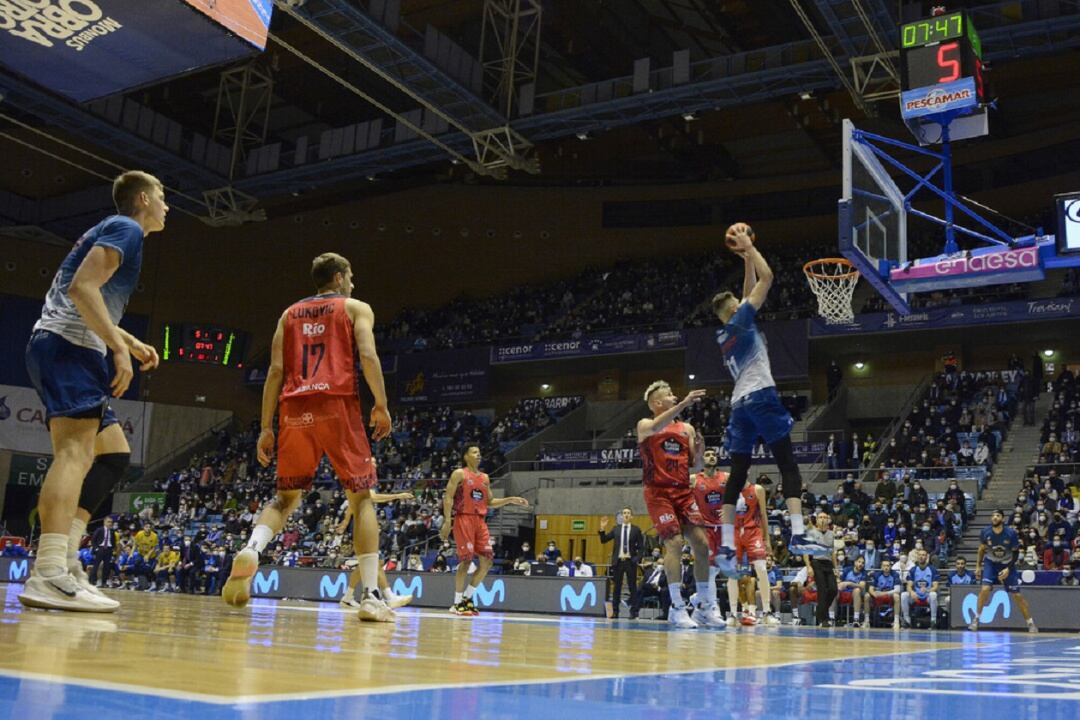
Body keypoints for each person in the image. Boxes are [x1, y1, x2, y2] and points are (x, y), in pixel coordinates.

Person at [18, 171, 166, 613]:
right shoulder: (126, 228)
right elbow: (81, 289)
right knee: (74, 456)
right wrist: (118, 348)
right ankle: (47, 572)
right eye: (162, 197)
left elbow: (88, 296)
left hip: (65, 346)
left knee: (114, 455)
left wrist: (127, 340)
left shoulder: (113, 230)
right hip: (68, 348)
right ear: (143, 199)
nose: (167, 206)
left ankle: (66, 560)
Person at [222, 253, 394, 623]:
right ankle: (371, 596)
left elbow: (275, 371)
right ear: (337, 277)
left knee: (285, 499)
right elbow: (367, 354)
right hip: (337, 405)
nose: (353, 282)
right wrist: (380, 403)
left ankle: (253, 548)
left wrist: (266, 427)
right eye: (350, 275)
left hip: (294, 409)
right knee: (362, 499)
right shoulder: (355, 307)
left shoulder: (288, 314)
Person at [710, 223, 829, 580]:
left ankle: (728, 548)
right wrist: (750, 247)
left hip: (739, 406)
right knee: (787, 464)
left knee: (738, 475)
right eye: (738, 303)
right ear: (735, 310)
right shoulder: (742, 319)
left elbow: (747, 292)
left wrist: (745, 257)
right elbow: (768, 278)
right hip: (761, 396)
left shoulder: (725, 331)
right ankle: (798, 533)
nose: (743, 303)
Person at [637, 382, 721, 630]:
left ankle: (704, 607)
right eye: (669, 396)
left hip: (684, 491)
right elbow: (654, 426)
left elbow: (694, 465)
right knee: (674, 543)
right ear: (657, 403)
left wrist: (701, 448)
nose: (675, 397)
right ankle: (676, 607)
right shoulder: (645, 425)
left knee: (703, 545)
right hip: (658, 492)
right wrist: (684, 403)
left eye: (675, 395)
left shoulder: (687, 428)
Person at [439, 446, 529, 616]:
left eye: (480, 452)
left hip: (480, 521)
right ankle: (457, 603)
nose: (478, 454)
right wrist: (447, 521)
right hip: (463, 518)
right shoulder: (459, 473)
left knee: (487, 561)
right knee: (466, 561)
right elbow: (448, 497)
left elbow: (491, 501)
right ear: (465, 456)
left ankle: (467, 599)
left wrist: (510, 499)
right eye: (474, 452)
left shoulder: (485, 478)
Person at [336, 489, 420, 610]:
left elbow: (352, 503)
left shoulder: (356, 482)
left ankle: (348, 597)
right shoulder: (362, 479)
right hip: (363, 523)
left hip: (359, 522)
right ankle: (389, 597)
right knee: (373, 562)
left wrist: (346, 521)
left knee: (367, 564)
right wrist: (398, 495)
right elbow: (372, 497)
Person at [970, 509, 1038, 632]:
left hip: (1007, 564)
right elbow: (981, 550)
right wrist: (978, 566)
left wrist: (1008, 569)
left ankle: (1030, 623)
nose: (994, 517)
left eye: (998, 515)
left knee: (1017, 595)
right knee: (984, 589)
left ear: (1002, 519)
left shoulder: (1010, 533)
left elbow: (1016, 554)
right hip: (991, 563)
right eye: (993, 515)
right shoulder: (985, 532)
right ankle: (976, 619)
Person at [598, 507, 644, 619]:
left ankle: (634, 611)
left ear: (632, 516)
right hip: (618, 562)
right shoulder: (616, 529)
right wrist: (602, 529)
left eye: (628, 513)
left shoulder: (636, 530)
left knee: (632, 587)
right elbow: (604, 540)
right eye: (624, 513)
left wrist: (636, 559)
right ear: (622, 516)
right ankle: (615, 611)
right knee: (616, 588)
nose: (626, 515)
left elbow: (642, 547)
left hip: (630, 561)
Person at [805, 512, 837, 627]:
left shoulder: (831, 534)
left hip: (828, 563)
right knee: (822, 590)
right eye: (820, 517)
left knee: (833, 589)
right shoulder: (811, 533)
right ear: (817, 520)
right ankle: (823, 619)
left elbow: (832, 552)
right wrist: (808, 566)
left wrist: (836, 568)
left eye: (825, 517)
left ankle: (820, 610)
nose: (823, 519)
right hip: (816, 562)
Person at [901, 549, 939, 628]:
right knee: (904, 595)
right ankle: (907, 621)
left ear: (927, 557)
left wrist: (928, 590)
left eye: (923, 555)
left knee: (933, 594)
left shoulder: (933, 569)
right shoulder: (913, 570)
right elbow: (909, 585)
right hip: (916, 597)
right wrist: (911, 592)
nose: (921, 557)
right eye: (920, 555)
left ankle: (933, 621)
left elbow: (935, 586)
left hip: (927, 596)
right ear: (917, 557)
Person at [867, 558, 902, 630]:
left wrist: (882, 593)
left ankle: (896, 621)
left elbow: (897, 590)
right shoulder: (876, 575)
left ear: (890, 567)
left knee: (897, 596)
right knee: (867, 596)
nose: (886, 567)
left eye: (888, 566)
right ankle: (866, 621)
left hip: (890, 596)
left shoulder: (895, 574)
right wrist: (874, 594)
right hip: (879, 597)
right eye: (884, 566)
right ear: (881, 567)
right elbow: (870, 589)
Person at [837, 555, 868, 627]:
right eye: (859, 562)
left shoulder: (864, 572)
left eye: (863, 563)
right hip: (844, 592)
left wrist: (849, 583)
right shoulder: (847, 570)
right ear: (855, 562)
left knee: (857, 590)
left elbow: (861, 586)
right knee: (834, 590)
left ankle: (856, 619)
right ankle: (831, 618)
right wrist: (838, 581)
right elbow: (840, 582)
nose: (861, 564)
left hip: (855, 593)